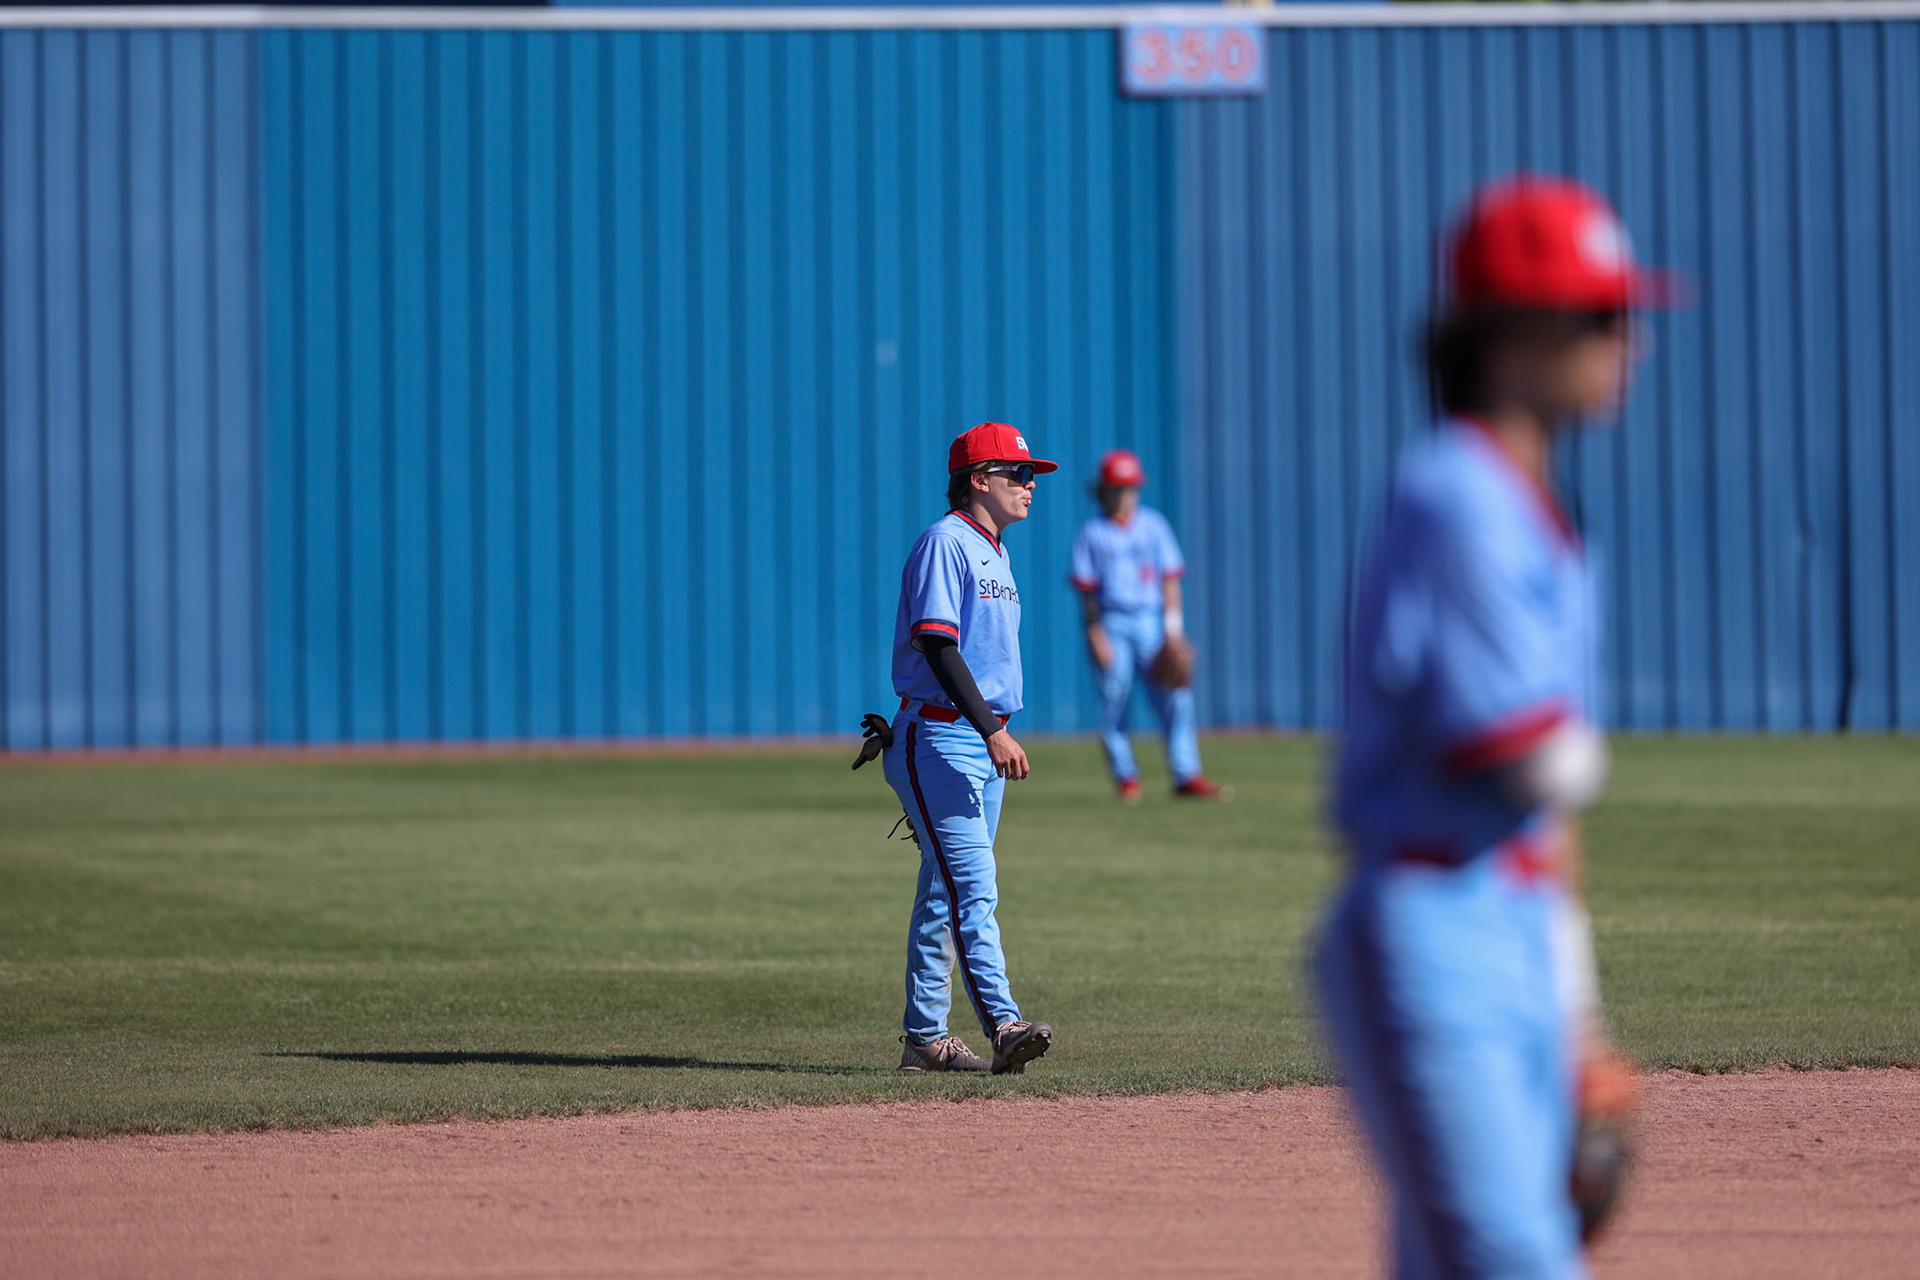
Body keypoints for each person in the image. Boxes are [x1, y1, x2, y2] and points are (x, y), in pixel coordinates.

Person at [1313, 176, 1668, 1278]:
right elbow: (1524, 753)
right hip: (1432, 929)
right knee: (1516, 1257)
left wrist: (1579, 1012)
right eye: (1600, 314)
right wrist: (1579, 752)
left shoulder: (1535, 505)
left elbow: (1543, 815)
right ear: (1509, 339)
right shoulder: (1455, 493)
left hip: (1508, 920)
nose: (1630, 338)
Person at [880, 422, 1056, 1075]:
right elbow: (936, 643)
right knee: (974, 890)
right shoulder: (945, 542)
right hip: (944, 736)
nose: (1030, 486)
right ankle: (1004, 1025)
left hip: (973, 739)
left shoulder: (997, 552)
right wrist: (992, 729)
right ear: (979, 480)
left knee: (944, 893)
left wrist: (992, 731)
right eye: (1019, 473)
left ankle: (925, 1040)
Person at [1069, 450, 1225, 802]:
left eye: (1130, 487)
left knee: (1175, 696)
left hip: (1150, 622)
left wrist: (1172, 629)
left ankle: (1186, 774)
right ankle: (1126, 777)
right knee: (1113, 697)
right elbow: (1087, 590)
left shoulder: (1153, 525)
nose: (1125, 494)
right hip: (1112, 621)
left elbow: (1170, 580)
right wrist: (1095, 634)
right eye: (1118, 487)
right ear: (1104, 490)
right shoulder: (1092, 532)